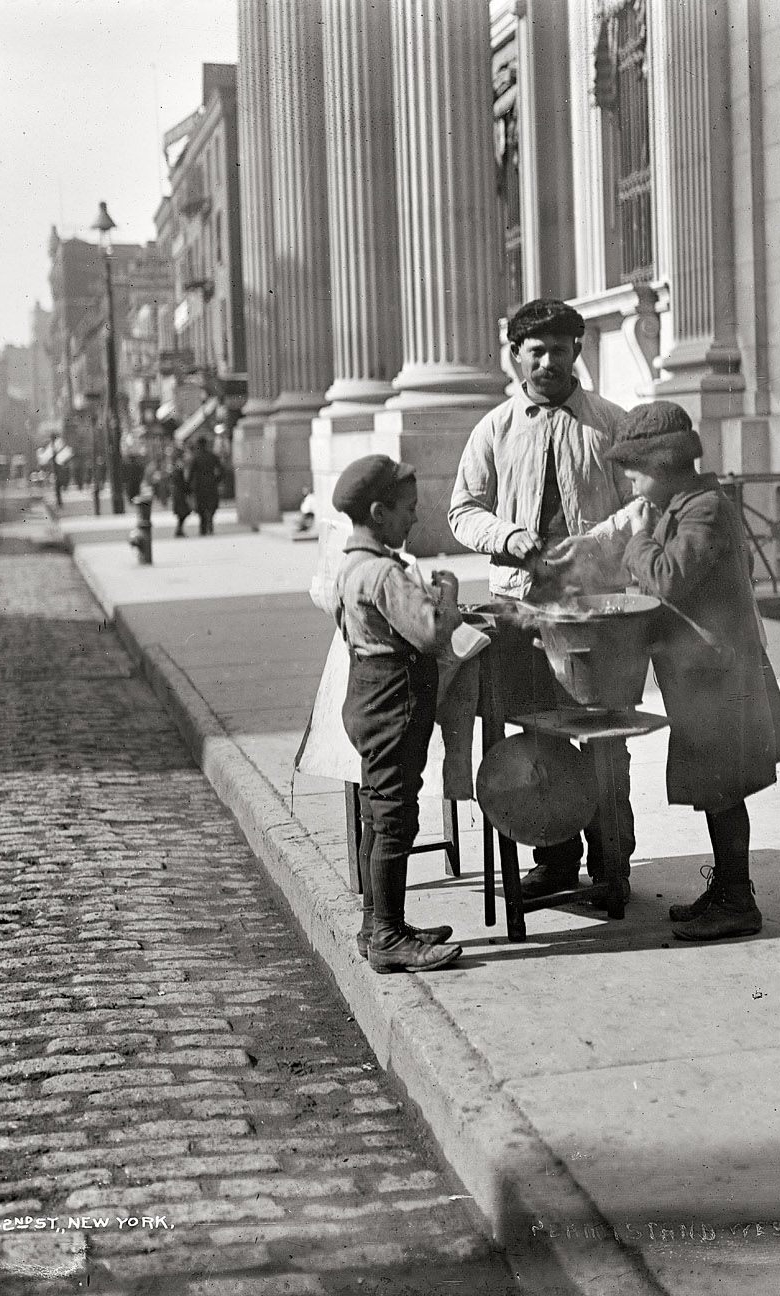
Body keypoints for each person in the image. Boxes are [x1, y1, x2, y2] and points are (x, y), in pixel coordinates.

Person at [448, 297, 634, 902]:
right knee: (537, 734)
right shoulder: (493, 429)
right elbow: (462, 511)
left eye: (560, 349)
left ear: (577, 351)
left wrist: (595, 542)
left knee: (605, 737)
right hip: (521, 612)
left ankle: (612, 866)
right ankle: (555, 859)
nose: (549, 361)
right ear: (516, 356)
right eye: (537, 351)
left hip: (595, 611)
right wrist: (507, 536)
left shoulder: (610, 423)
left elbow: (642, 505)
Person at [599, 402, 780, 939]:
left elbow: (667, 578)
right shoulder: (682, 505)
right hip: (701, 675)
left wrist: (637, 540)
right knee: (715, 787)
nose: (629, 478)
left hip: (718, 677)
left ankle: (737, 902)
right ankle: (728, 888)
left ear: (662, 464)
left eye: (634, 468)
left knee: (724, 789)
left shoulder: (703, 509)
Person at [333, 454, 463, 973]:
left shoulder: (351, 565)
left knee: (376, 811)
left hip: (368, 696)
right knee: (395, 818)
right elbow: (432, 632)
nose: (414, 518)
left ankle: (376, 925)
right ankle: (388, 936)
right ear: (380, 512)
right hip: (395, 699)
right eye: (408, 509)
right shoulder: (384, 572)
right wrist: (447, 595)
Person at [185, 438, 224, 536]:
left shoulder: (196, 458)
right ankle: (209, 522)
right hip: (211, 484)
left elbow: (190, 474)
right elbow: (222, 470)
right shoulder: (212, 456)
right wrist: (217, 480)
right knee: (211, 505)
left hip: (200, 486)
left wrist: (188, 486)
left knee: (201, 507)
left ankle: (203, 527)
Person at [169, 450, 192, 536]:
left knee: (183, 512)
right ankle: (179, 530)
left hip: (179, 492)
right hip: (179, 493)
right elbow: (180, 481)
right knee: (184, 511)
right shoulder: (178, 467)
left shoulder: (177, 467)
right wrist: (187, 489)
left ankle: (179, 529)